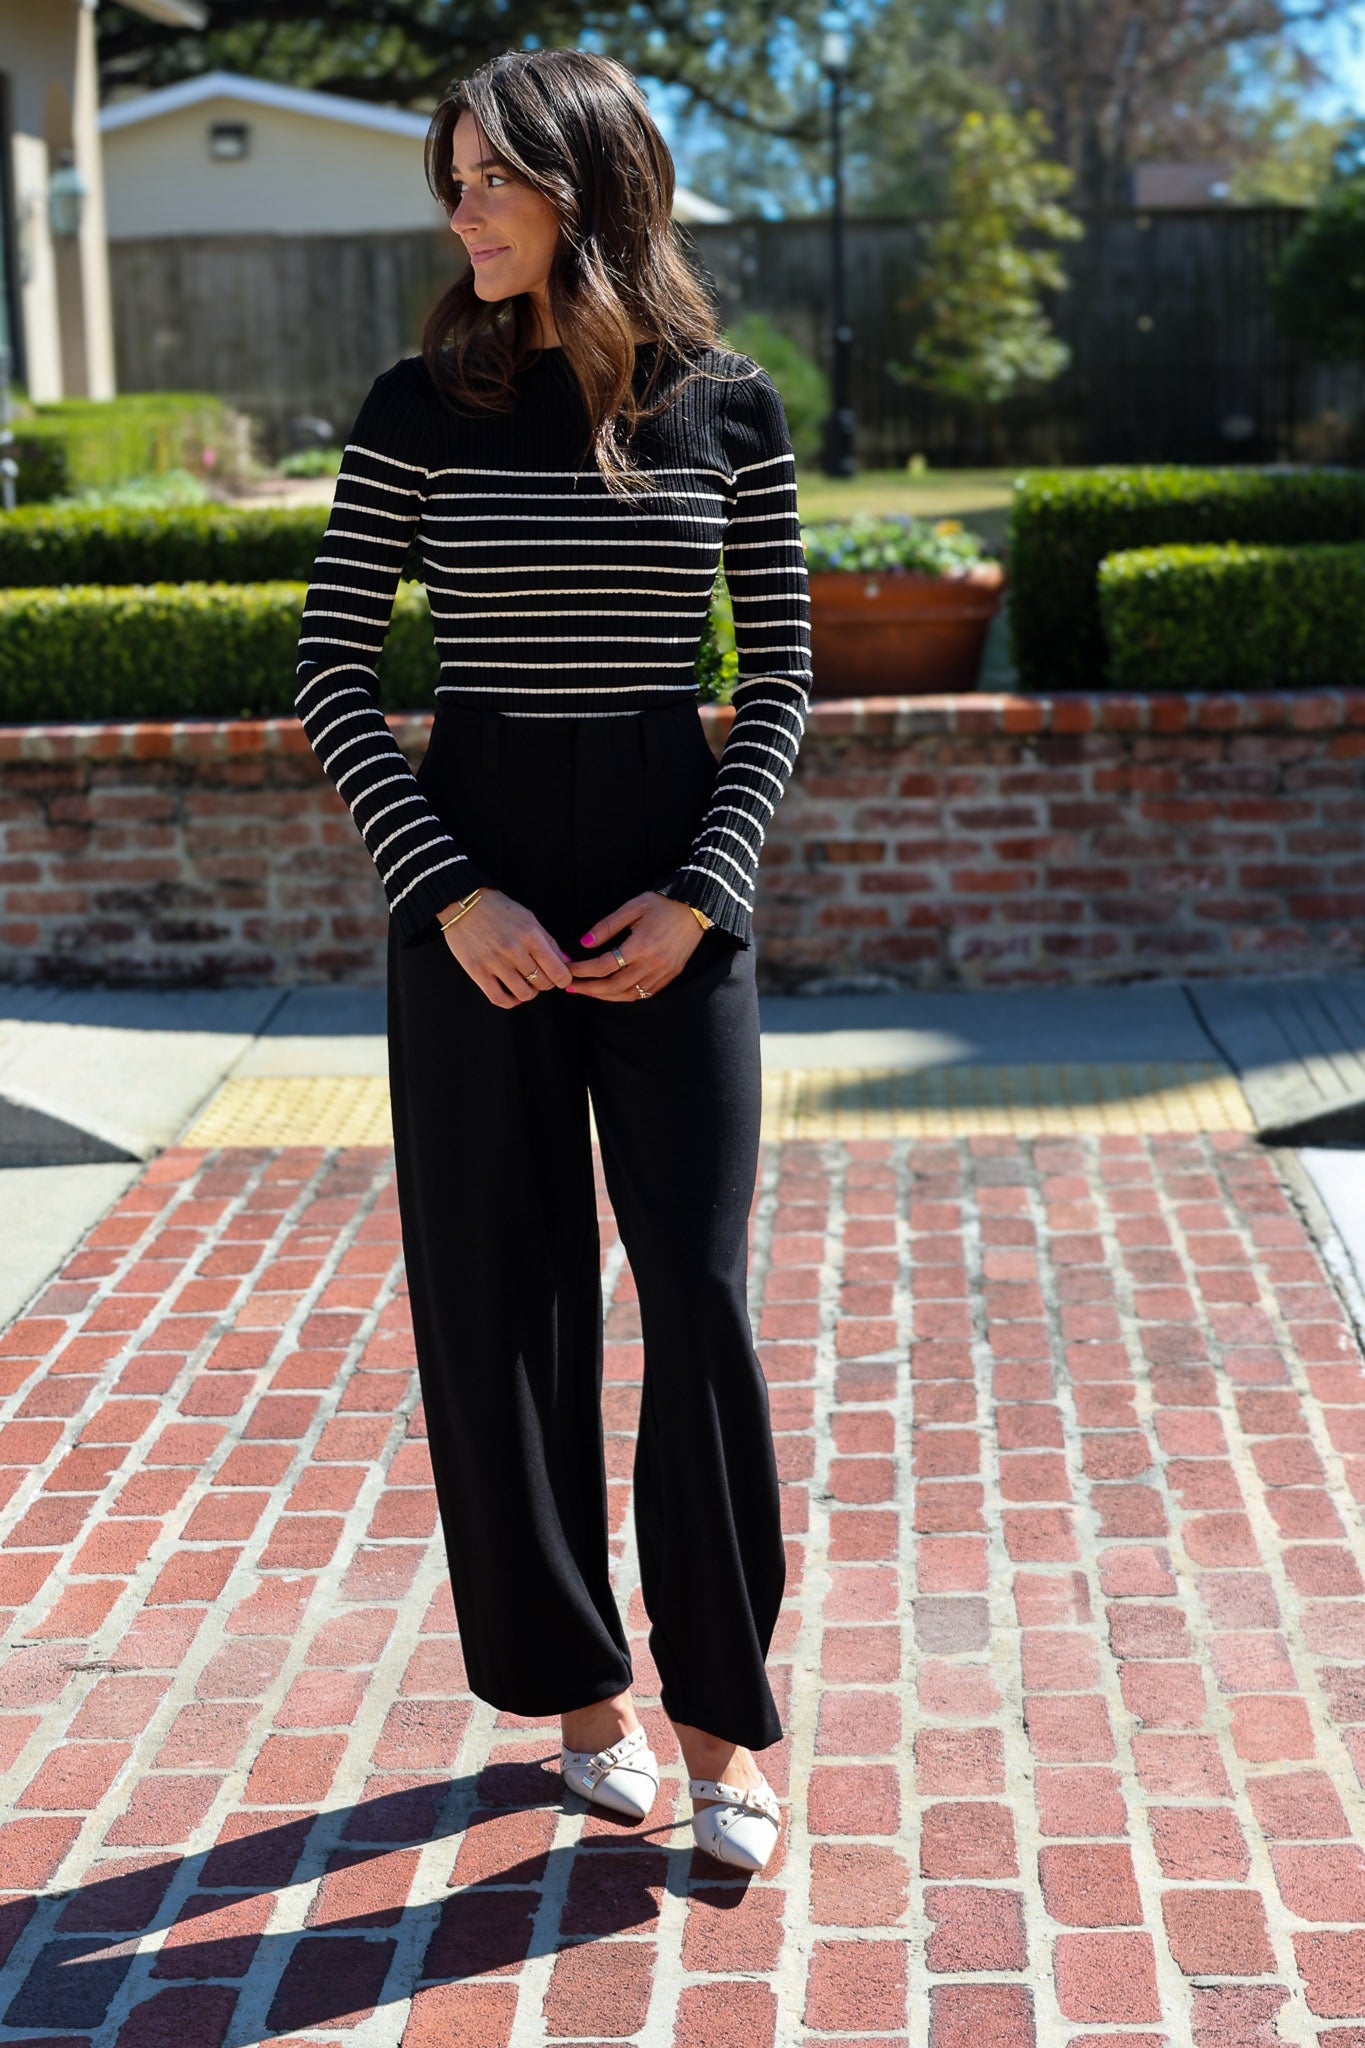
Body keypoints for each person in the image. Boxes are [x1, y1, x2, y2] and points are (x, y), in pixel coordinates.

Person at [294, 47, 811, 1874]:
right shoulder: (412, 402)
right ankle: (585, 1706)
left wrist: (701, 896)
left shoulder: (728, 406)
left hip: (676, 885)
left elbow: (784, 681)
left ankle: (727, 1725)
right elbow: (332, 673)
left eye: (489, 178)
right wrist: (449, 895)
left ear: (588, 183)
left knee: (702, 1305)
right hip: (477, 885)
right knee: (500, 1309)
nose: (460, 209)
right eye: (448, 179)